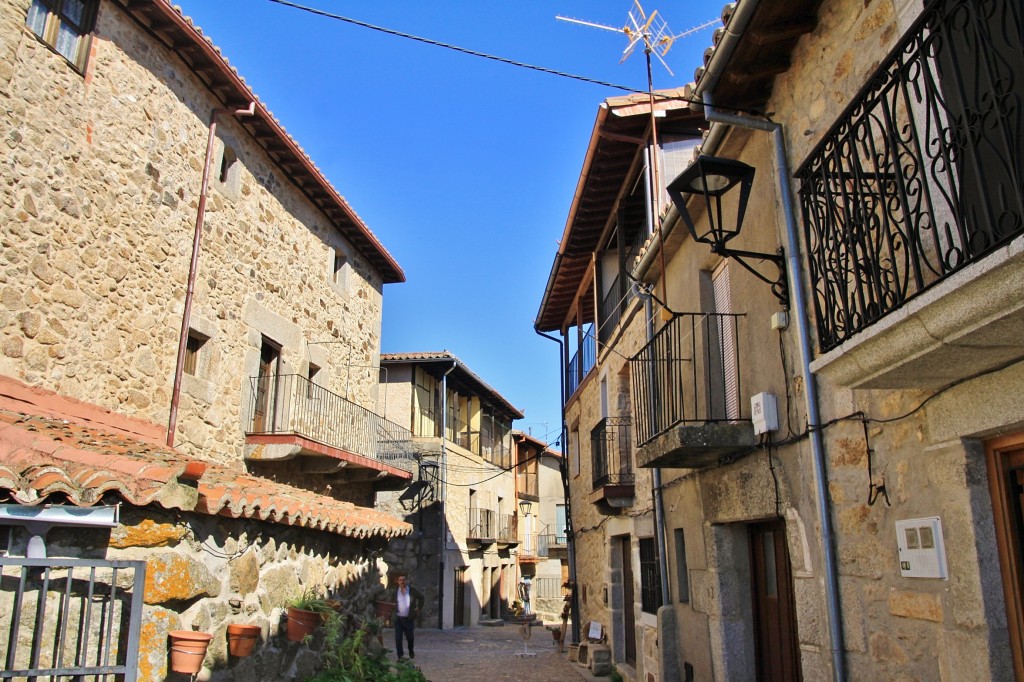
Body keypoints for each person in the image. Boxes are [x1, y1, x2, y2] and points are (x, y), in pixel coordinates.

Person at [393, 573, 424, 660]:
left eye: (403, 580)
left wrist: (418, 608)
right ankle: (400, 656)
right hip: (398, 619)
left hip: (408, 619)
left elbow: (422, 597)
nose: (402, 582)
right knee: (398, 639)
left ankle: (411, 650)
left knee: (410, 638)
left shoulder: (412, 590)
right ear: (398, 582)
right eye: (400, 580)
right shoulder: (395, 592)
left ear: (406, 581)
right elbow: (392, 604)